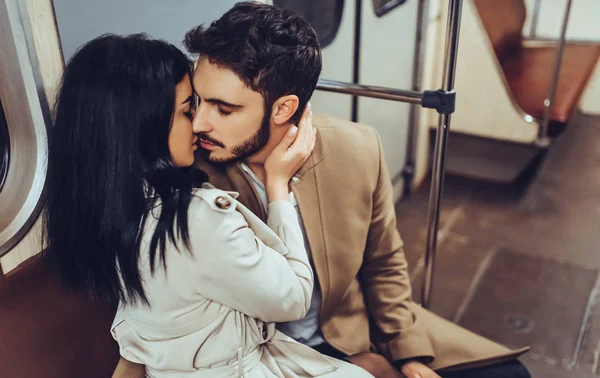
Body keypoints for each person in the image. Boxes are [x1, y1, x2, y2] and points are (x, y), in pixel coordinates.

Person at [115, 2, 531, 378]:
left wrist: (409, 356)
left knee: (511, 376)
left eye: (224, 109)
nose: (201, 123)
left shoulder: (358, 147)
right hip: (259, 357)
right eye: (197, 102)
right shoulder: (188, 176)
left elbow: (383, 262)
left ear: (283, 108)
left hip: (351, 333)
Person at [44, 33, 374, 378]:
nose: (200, 124)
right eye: (189, 109)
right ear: (144, 127)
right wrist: (279, 188)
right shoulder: (193, 218)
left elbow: (139, 337)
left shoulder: (110, 211)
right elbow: (292, 298)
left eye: (218, 107)